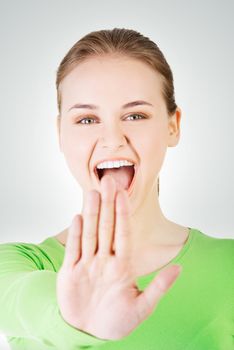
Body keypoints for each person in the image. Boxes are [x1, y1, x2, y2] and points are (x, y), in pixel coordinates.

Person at [0, 27, 233, 350]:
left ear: (172, 126)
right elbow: (26, 302)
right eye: (86, 119)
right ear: (60, 134)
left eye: (135, 115)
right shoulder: (16, 264)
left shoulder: (229, 265)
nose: (112, 138)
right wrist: (77, 322)